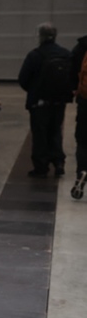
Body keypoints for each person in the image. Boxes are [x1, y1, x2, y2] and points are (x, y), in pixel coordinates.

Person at [18, 22, 74, 177]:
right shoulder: (66, 54)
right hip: (59, 101)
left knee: (40, 134)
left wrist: (34, 90)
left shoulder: (34, 55)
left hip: (39, 103)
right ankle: (59, 162)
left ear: (40, 36)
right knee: (56, 131)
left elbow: (23, 79)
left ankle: (41, 167)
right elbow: (72, 77)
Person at [70, 33, 87, 196]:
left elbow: (72, 68)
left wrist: (74, 88)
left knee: (82, 140)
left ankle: (81, 171)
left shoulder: (82, 47)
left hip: (85, 101)